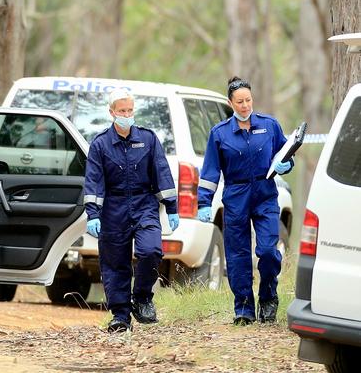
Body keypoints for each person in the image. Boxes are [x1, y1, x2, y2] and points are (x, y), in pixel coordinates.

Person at [197, 76, 293, 325]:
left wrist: (286, 164)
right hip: (236, 196)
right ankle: (243, 309)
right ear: (230, 103)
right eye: (239, 101)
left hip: (265, 194)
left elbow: (286, 153)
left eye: (248, 100)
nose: (245, 105)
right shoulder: (219, 134)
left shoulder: (269, 126)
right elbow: (209, 172)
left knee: (269, 252)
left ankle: (268, 299)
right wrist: (204, 203)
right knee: (238, 255)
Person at [84, 88, 179, 333]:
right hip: (113, 210)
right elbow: (94, 181)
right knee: (115, 264)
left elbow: (161, 172)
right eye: (122, 111)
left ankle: (143, 297)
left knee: (151, 251)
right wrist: (93, 214)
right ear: (112, 112)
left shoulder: (147, 139)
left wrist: (171, 208)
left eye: (130, 110)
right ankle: (120, 316)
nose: (126, 115)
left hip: (144, 204)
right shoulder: (101, 144)